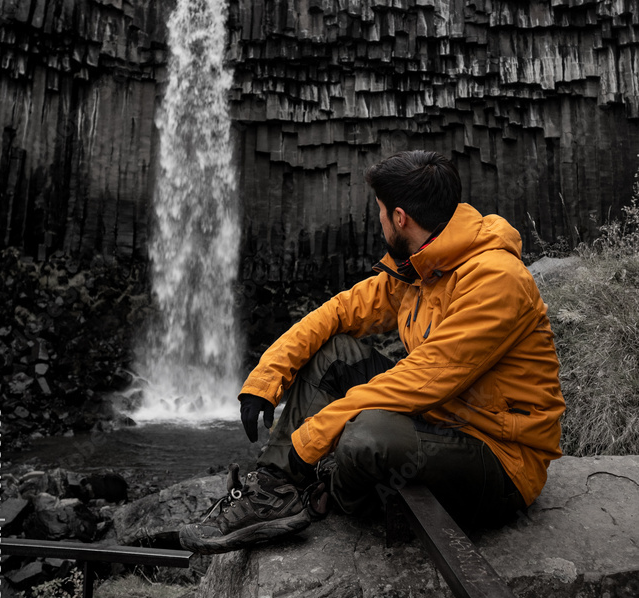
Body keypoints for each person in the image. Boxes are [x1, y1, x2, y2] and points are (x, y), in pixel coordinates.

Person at [179, 150, 565, 554]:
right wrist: (266, 377)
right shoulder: (426, 265)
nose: (377, 220)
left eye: (379, 212)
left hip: (500, 459)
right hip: (440, 421)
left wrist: (310, 437)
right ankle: (272, 487)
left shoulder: (496, 280)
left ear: (400, 218)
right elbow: (342, 311)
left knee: (367, 437)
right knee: (336, 354)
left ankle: (322, 492)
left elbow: (424, 379)